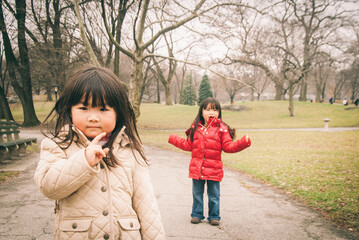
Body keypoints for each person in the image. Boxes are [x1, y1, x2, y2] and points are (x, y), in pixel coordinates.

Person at [34, 65, 165, 240]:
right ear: (69, 110)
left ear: (118, 112)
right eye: (84, 108)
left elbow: (147, 206)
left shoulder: (130, 148)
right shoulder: (58, 144)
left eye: (103, 109)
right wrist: (83, 161)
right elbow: (48, 187)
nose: (93, 117)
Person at [168, 97, 251, 226]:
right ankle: (197, 214)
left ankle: (214, 216)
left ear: (219, 112)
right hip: (197, 168)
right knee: (197, 193)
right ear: (201, 111)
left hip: (214, 169)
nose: (211, 112)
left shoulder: (222, 129)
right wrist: (173, 139)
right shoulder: (195, 127)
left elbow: (229, 147)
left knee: (214, 195)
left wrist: (243, 143)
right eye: (207, 109)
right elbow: (188, 145)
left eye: (214, 109)